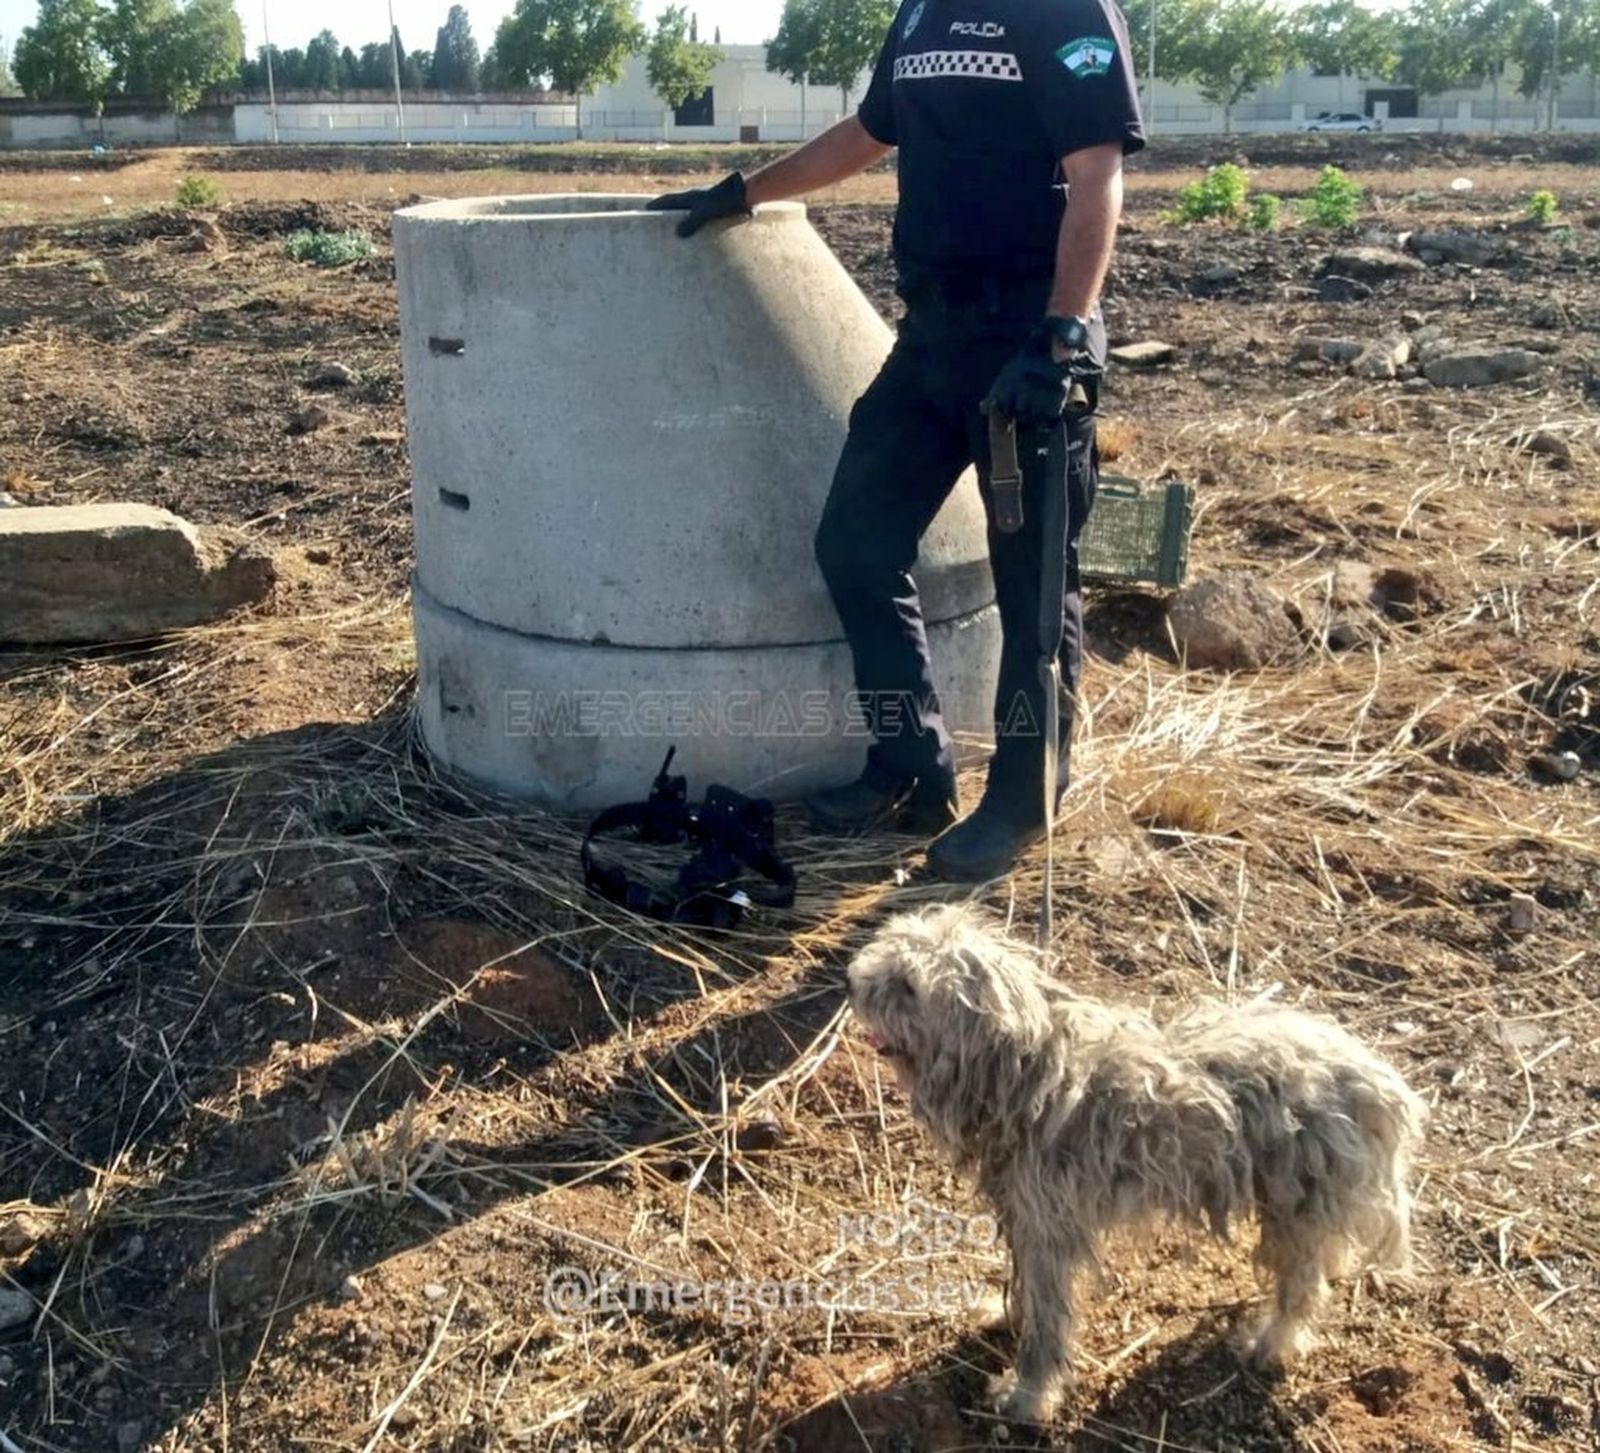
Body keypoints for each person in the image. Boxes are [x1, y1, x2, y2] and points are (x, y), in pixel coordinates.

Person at [650, 0, 1144, 883]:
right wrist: (745, 191)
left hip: (1028, 343)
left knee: (1033, 587)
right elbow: (870, 133)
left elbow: (1096, 171)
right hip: (932, 339)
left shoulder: (1064, 10)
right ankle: (912, 770)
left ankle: (1024, 801)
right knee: (856, 542)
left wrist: (1062, 335)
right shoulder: (920, 14)